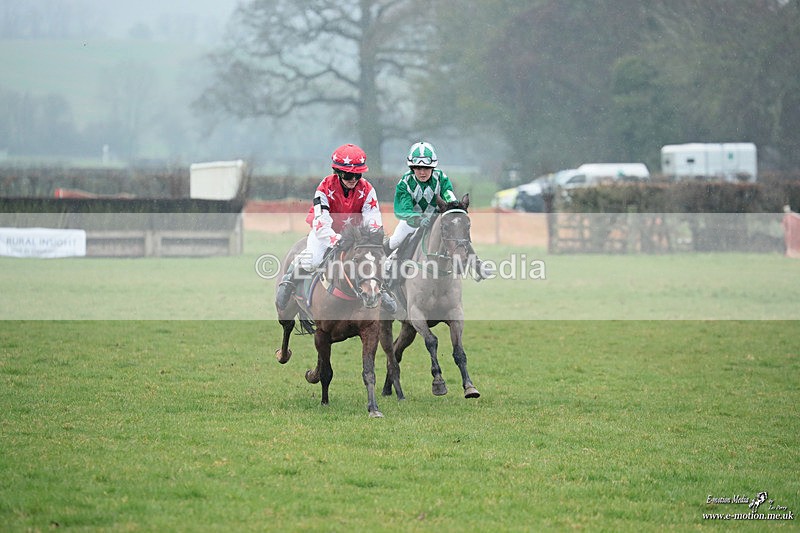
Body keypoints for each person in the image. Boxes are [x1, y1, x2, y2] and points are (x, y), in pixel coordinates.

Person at [275, 143, 396, 312]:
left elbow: (373, 220)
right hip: (326, 234)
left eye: (357, 175)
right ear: (338, 172)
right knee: (314, 260)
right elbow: (321, 223)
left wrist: (370, 240)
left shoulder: (368, 189)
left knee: (377, 261)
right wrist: (335, 239)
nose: (353, 179)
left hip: (356, 238)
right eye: (348, 175)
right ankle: (289, 278)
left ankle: (381, 291)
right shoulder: (324, 188)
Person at [384, 141, 491, 280]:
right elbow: (403, 209)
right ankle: (383, 266)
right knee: (395, 241)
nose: (422, 172)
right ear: (412, 167)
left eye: (426, 168)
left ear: (433, 167)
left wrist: (455, 207)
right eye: (418, 168)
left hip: (437, 219)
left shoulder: (441, 178)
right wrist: (418, 219)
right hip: (412, 222)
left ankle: (477, 265)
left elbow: (449, 197)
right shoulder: (404, 183)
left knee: (456, 233)